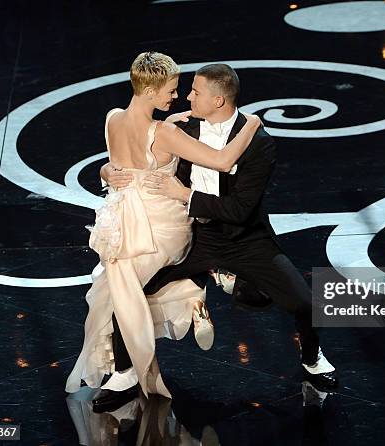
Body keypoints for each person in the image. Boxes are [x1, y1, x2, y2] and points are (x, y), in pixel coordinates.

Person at [102, 64, 338, 391]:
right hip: (196, 235)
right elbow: (142, 157)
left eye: (195, 92)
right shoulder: (182, 127)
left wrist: (186, 194)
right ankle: (125, 371)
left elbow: (240, 209)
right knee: (132, 286)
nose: (187, 96)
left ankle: (312, 358)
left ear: (217, 100)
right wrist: (106, 170)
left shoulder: (258, 144)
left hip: (245, 238)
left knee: (304, 303)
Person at [65, 52, 261, 413]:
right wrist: (251, 124)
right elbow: (222, 161)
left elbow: (127, 155)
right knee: (121, 292)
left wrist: (107, 171)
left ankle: (127, 367)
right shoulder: (166, 133)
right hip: (161, 226)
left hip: (124, 222)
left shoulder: (113, 119)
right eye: (171, 90)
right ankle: (202, 285)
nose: (177, 96)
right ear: (151, 89)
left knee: (118, 291)